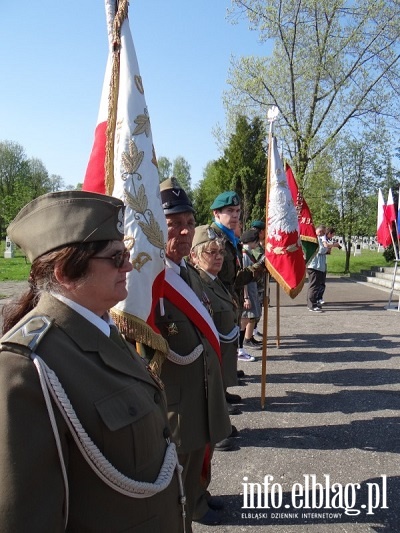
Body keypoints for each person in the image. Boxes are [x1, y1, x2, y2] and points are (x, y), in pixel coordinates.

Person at [0, 191, 184, 532]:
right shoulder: (25, 366)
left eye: (126, 254)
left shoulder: (102, 328)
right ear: (65, 273)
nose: (129, 266)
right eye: (116, 258)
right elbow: (23, 516)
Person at [155, 178, 231, 529]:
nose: (185, 232)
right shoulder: (151, 280)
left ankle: (200, 498)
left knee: (202, 453)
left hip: (201, 387)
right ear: (156, 225)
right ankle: (190, 511)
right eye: (174, 224)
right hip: (178, 400)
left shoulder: (187, 270)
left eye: (188, 223)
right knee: (180, 472)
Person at [210, 191, 265, 363]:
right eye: (230, 210)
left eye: (238, 210)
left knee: (228, 350)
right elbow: (217, 280)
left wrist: (261, 267)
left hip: (231, 304)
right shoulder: (212, 238)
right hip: (216, 307)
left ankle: (228, 378)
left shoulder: (230, 239)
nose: (235, 215)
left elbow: (234, 279)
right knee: (218, 352)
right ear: (216, 213)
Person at [241, 229, 263, 348]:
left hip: (252, 287)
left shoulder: (249, 253)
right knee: (247, 316)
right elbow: (243, 277)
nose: (258, 244)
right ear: (252, 241)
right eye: (257, 242)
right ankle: (244, 339)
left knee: (253, 315)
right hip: (248, 288)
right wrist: (246, 297)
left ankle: (249, 337)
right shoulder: (244, 254)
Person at [307, 225, 329, 312]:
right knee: (314, 286)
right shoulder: (315, 239)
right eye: (323, 232)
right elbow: (321, 250)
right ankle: (311, 305)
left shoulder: (319, 239)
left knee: (316, 286)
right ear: (319, 231)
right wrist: (326, 247)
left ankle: (313, 303)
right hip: (314, 266)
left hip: (318, 266)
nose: (323, 234)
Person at [317, 226, 341, 305]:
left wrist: (329, 249)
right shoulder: (323, 237)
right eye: (332, 235)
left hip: (322, 262)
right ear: (329, 233)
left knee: (321, 282)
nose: (332, 237)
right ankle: (318, 298)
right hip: (318, 263)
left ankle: (318, 297)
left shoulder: (325, 238)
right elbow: (325, 246)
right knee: (320, 282)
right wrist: (334, 245)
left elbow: (326, 250)